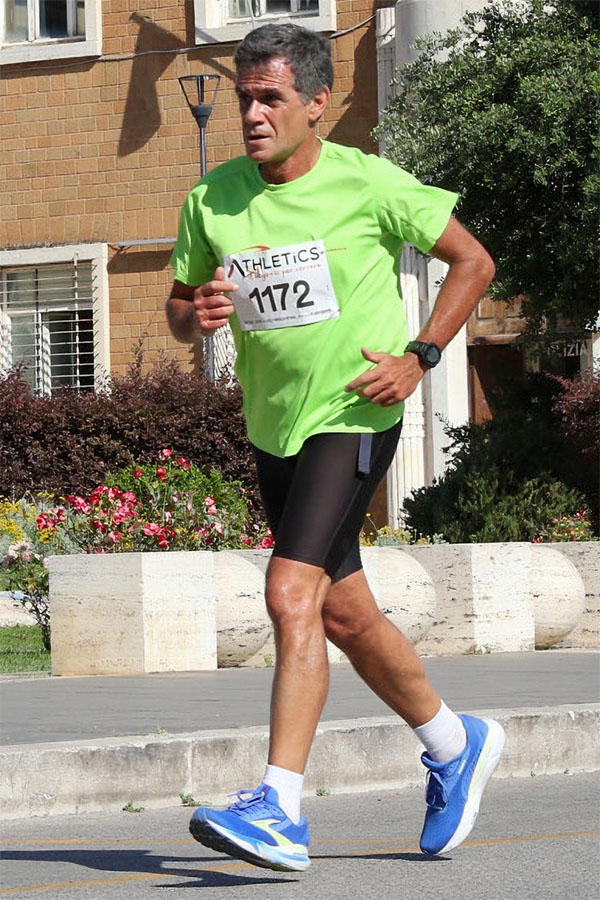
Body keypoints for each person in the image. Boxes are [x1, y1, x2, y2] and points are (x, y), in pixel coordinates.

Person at [166, 23, 504, 873]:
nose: (253, 114)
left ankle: (279, 806)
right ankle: (453, 742)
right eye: (245, 98)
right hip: (274, 426)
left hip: (353, 414)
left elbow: (473, 261)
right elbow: (178, 304)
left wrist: (420, 357)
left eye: (270, 98)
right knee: (344, 611)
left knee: (290, 592)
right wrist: (194, 314)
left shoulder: (367, 181)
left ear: (316, 103)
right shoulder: (213, 198)